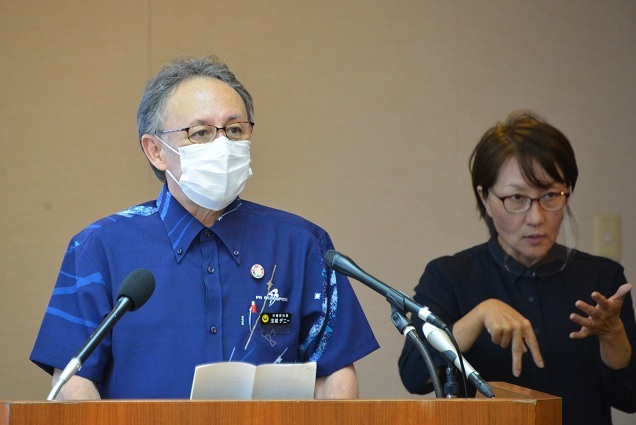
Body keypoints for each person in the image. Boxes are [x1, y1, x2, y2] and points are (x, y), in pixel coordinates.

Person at [30, 55, 379, 400]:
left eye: (235, 130)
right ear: (156, 151)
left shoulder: (302, 245)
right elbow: (74, 384)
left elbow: (333, 374)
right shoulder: (98, 248)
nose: (222, 145)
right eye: (200, 133)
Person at [398, 112, 636, 425]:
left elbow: (629, 399)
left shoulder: (602, 278)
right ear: (485, 198)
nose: (536, 217)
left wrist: (613, 335)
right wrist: (476, 317)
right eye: (517, 198)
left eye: (550, 195)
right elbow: (414, 375)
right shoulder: (449, 276)